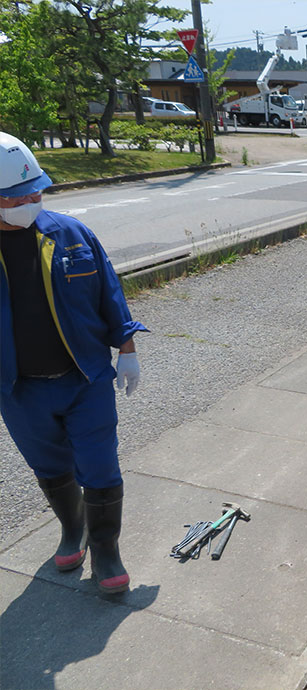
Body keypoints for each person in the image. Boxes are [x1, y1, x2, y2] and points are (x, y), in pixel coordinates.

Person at [0, 132, 147, 594]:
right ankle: (73, 527)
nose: (30, 199)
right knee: (48, 465)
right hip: (19, 389)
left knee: (100, 463)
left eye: (35, 189)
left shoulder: (71, 233)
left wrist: (127, 349)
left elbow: (109, 290)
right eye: (16, 195)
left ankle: (106, 549)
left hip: (85, 377)